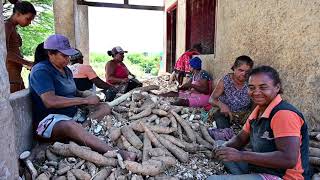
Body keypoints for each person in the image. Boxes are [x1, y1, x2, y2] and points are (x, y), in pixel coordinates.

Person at [29, 34, 135, 160]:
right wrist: (84, 100)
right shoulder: (41, 71)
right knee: (70, 126)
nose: (68, 59)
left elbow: (74, 91)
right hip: (50, 121)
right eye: (64, 55)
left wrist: (87, 95)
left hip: (73, 115)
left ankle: (79, 133)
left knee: (104, 108)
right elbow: (50, 101)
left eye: (68, 55)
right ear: (50, 54)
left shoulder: (66, 70)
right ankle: (115, 152)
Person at [208, 66, 309, 180]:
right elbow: (241, 139)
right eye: (251, 87)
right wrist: (223, 149)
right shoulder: (259, 110)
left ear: (277, 87)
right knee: (220, 145)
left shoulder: (283, 114)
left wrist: (242, 156)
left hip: (283, 176)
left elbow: (288, 159)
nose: (256, 92)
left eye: (263, 87)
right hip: (261, 167)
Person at [209, 55, 254, 128]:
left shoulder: (251, 82)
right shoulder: (225, 80)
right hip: (225, 113)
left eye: (247, 71)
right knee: (221, 121)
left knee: (254, 125)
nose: (244, 74)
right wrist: (222, 105)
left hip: (243, 115)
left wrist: (253, 116)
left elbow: (254, 103)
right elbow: (211, 99)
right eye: (241, 70)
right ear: (234, 68)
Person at [5, 1, 36, 92]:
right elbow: (4, 53)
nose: (29, 23)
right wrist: (28, 63)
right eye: (28, 19)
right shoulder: (7, 26)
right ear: (18, 14)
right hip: (10, 77)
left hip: (16, 76)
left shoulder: (13, 27)